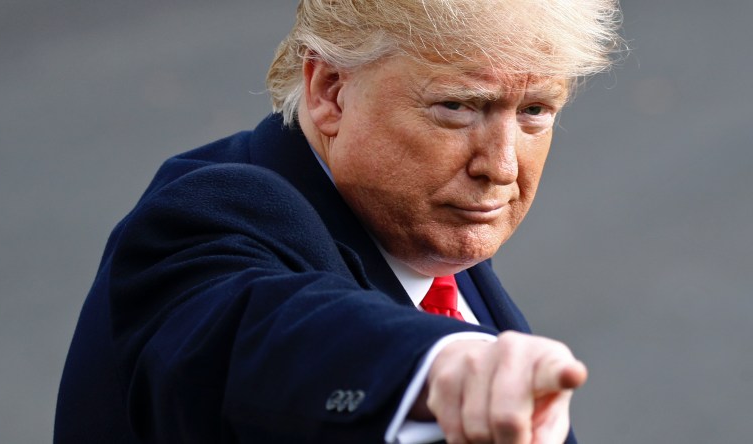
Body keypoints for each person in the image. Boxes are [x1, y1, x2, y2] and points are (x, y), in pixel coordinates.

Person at [55, 1, 622, 443]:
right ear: (330, 91)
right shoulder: (210, 212)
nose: (499, 167)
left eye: (534, 112)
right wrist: (436, 364)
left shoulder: (427, 236)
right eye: (457, 107)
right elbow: (257, 333)